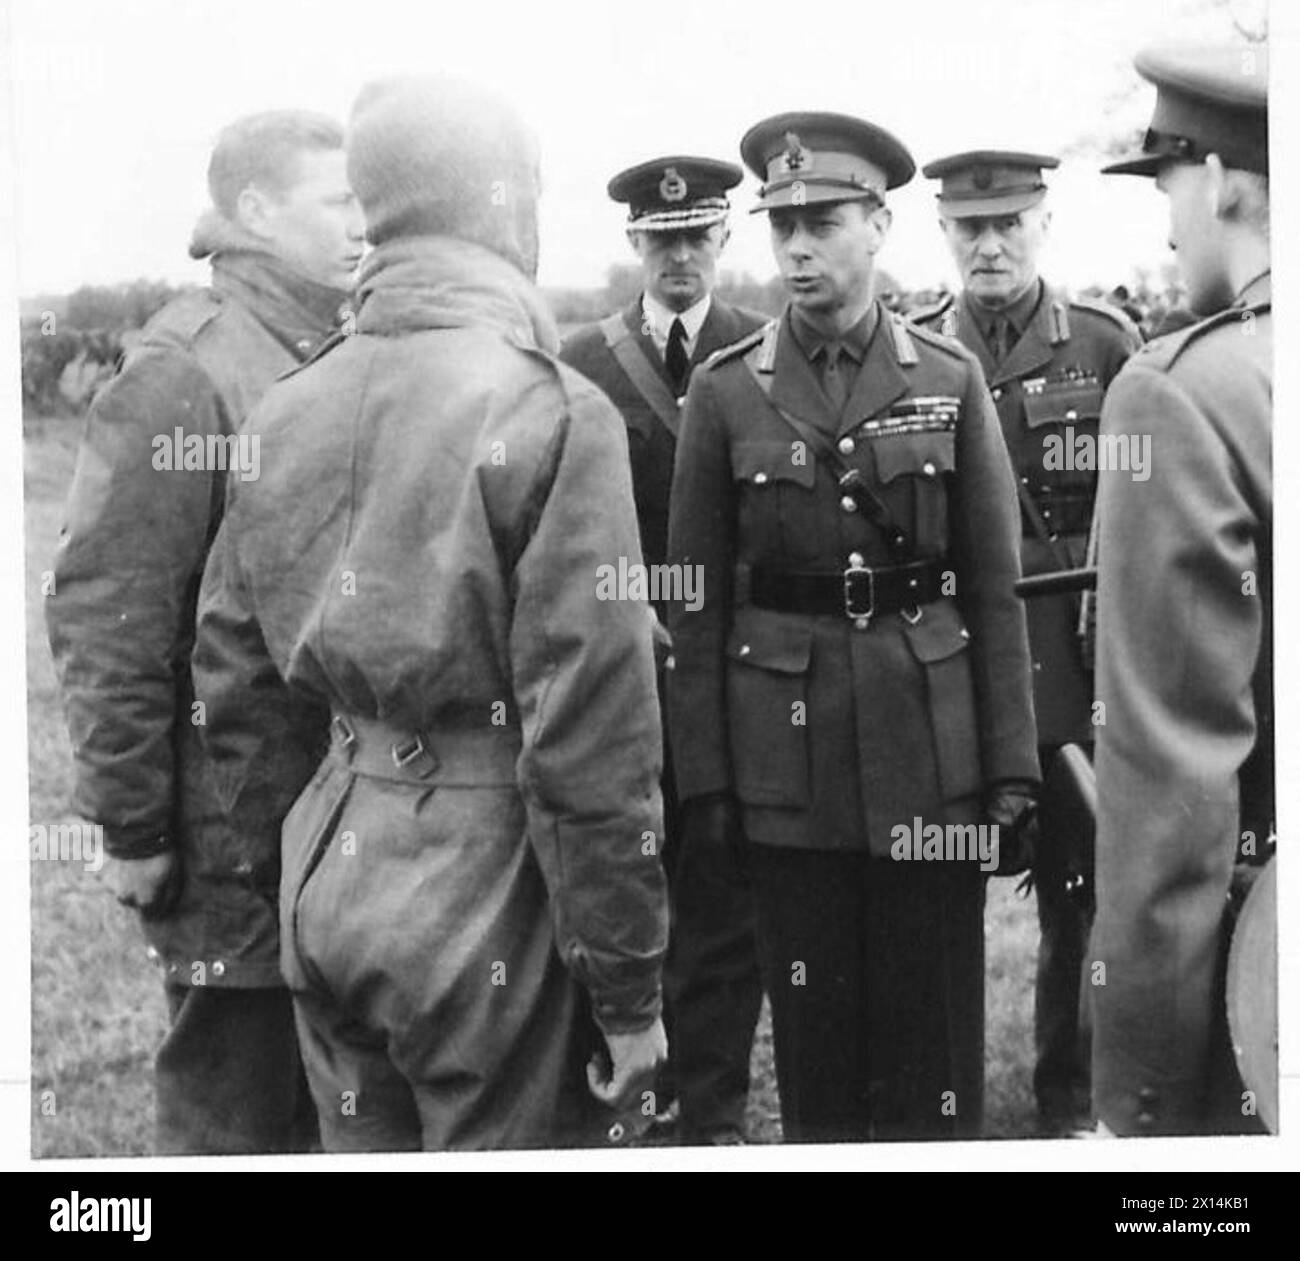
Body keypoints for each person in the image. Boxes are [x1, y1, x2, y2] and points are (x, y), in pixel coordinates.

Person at [192, 74, 669, 1152]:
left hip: (332, 863)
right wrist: (629, 993)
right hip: (490, 886)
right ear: (510, 207)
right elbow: (589, 742)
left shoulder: (284, 405)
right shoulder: (550, 407)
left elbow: (232, 681)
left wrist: (296, 865)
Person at [667, 112, 1039, 1142]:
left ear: (877, 225)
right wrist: (705, 783)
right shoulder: (725, 389)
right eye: (779, 226)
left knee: (935, 1059)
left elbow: (994, 588)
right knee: (819, 1059)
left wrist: (1011, 768)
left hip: (929, 752)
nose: (795, 250)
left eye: (821, 222)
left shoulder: (948, 379)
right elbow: (694, 603)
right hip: (786, 774)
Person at [45, 110, 364, 1153]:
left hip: (329, 811)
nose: (365, 224)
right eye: (339, 202)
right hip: (227, 831)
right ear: (258, 213)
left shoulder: (328, 346)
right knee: (238, 1109)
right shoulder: (188, 368)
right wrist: (134, 828)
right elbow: (110, 611)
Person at [913, 150, 1141, 1134]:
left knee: (1079, 897)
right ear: (944, 235)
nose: (989, 245)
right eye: (970, 228)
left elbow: (1141, 513)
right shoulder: (911, 350)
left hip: (1074, 667)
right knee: (940, 889)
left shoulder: (1104, 343)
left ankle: (1069, 1101)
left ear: (1044, 222)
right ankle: (942, 1099)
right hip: (954, 670)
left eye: (1008, 223)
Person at [561, 156, 765, 1144]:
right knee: (624, 871)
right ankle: (625, 1085)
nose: (679, 256)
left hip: (734, 675)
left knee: (724, 884)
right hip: (621, 673)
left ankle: (712, 1107)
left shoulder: (766, 353)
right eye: (660, 239)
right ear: (633, 245)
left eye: (697, 237)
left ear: (725, 240)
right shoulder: (580, 364)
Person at [1090, 41, 1272, 1136]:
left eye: (1167, 187)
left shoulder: (1179, 397)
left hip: (1259, 998)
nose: (1165, 227)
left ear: (1222, 182)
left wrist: (1142, 1103)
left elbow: (1170, 806)